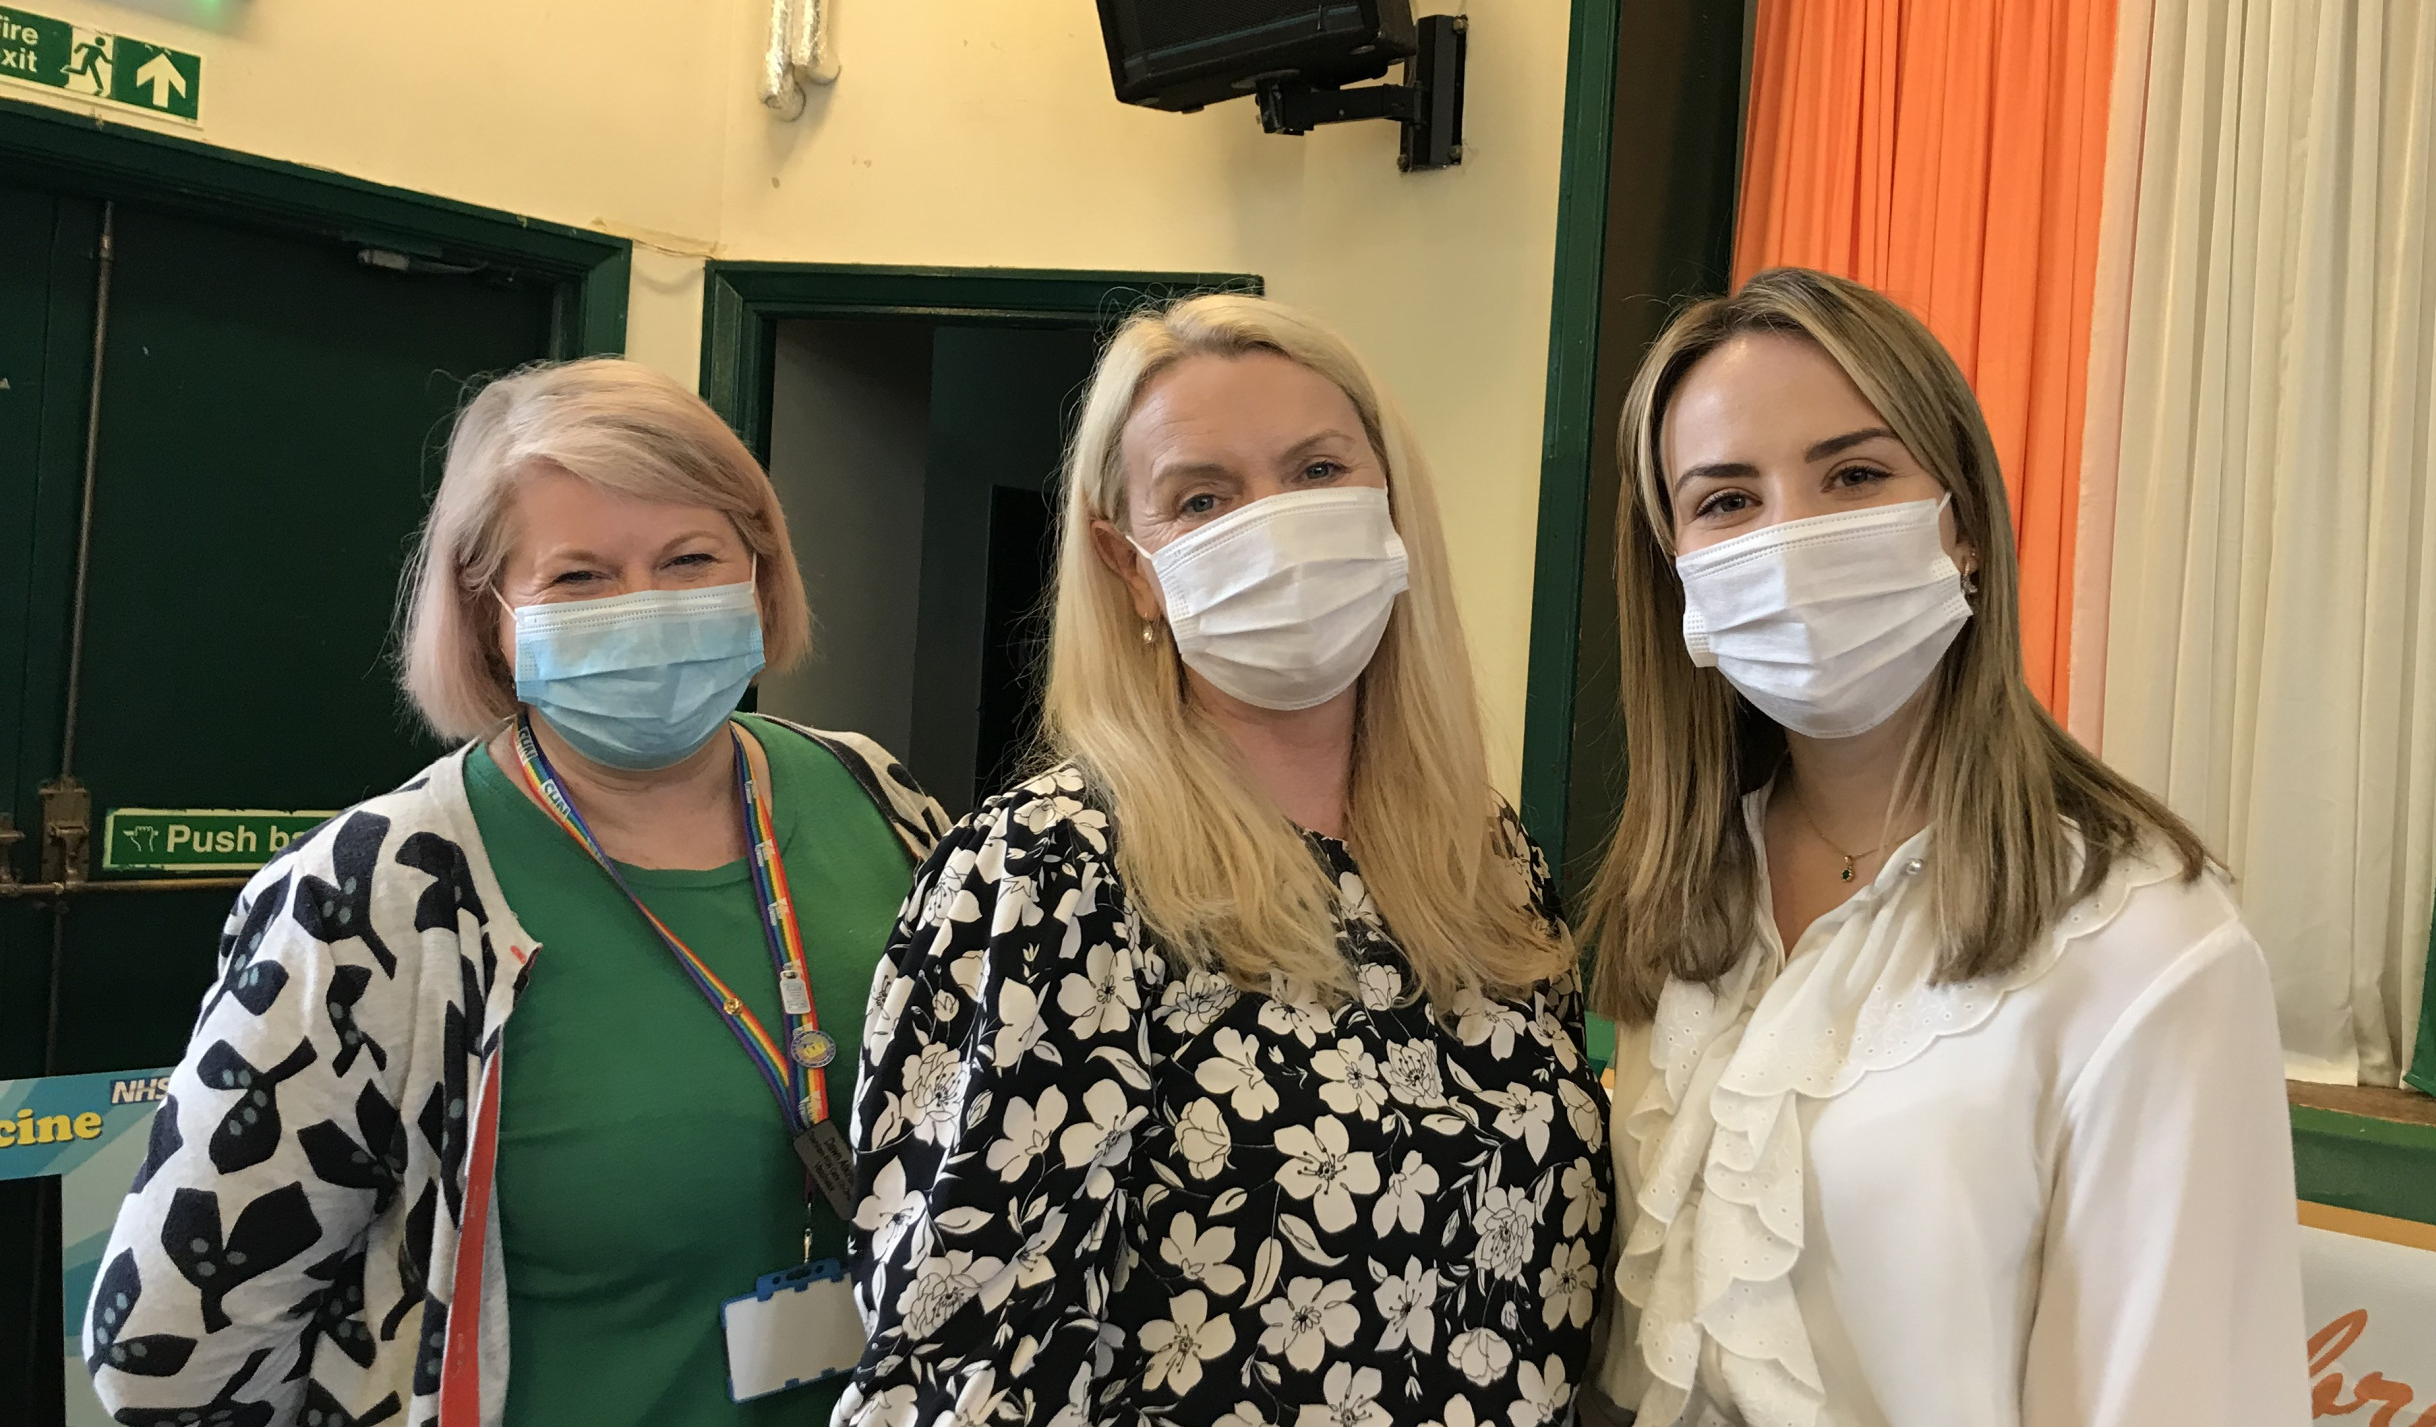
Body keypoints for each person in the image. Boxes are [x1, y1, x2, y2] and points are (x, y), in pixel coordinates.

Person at [87, 359, 950, 1427]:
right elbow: (167, 1350)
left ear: (760, 574)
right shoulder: (370, 897)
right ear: (489, 614)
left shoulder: (883, 802)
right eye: (580, 578)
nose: (648, 608)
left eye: (691, 558)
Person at [831, 295, 1611, 1427]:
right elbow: (961, 1364)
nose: (1275, 523)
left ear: (1390, 505)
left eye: (1316, 470)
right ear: (1131, 565)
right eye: (1203, 498)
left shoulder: (1487, 858)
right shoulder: (1046, 876)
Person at [1583, 270, 2306, 1426]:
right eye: (1726, 501)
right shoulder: (1689, 897)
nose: (1792, 538)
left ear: (1961, 526)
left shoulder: (2144, 941)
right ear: (1676, 569)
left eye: (1854, 475)